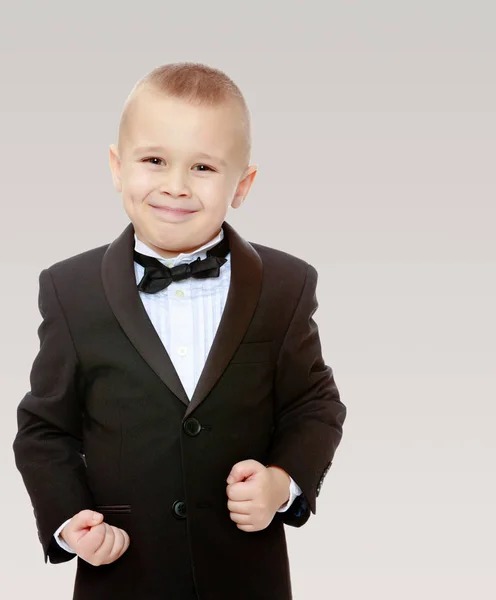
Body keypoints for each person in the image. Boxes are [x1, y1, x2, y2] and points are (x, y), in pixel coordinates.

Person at [12, 61, 347, 600]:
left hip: (245, 575)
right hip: (122, 574)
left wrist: (283, 482)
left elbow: (315, 405)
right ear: (118, 168)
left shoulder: (286, 285)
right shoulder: (69, 290)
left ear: (243, 184)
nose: (175, 186)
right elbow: (44, 429)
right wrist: (69, 515)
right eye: (154, 160)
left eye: (204, 168)